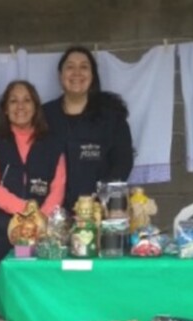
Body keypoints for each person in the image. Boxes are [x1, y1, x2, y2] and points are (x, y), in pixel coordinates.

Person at [0, 80, 66, 276]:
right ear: (5, 109)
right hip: (0, 234)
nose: (20, 106)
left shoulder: (53, 143)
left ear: (35, 107)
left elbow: (58, 187)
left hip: (42, 234)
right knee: (1, 292)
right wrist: (26, 210)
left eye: (27, 100)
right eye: (13, 101)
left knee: (36, 289)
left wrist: (39, 220)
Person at [42, 46, 133, 210]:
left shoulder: (111, 117)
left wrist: (98, 204)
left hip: (98, 213)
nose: (77, 73)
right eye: (70, 67)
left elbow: (122, 164)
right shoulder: (43, 116)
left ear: (93, 75)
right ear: (60, 75)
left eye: (84, 67)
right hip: (51, 214)